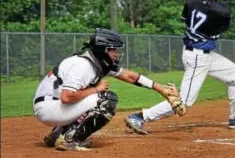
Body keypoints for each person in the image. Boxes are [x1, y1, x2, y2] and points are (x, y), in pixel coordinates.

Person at [125, 0, 235, 135]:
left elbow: (189, 14)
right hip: (197, 58)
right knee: (184, 102)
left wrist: (202, 3)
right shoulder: (222, 12)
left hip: (203, 54)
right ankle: (139, 117)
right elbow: (221, 24)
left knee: (234, 74)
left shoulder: (193, 1)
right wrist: (208, 6)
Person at [33, 28, 182, 151]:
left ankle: (58, 133)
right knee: (106, 100)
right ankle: (70, 139)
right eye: (113, 50)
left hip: (52, 106)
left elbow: (130, 76)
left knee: (95, 97)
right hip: (51, 108)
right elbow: (67, 97)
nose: (116, 54)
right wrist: (96, 89)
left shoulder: (95, 62)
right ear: (103, 50)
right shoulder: (83, 65)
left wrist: (161, 89)